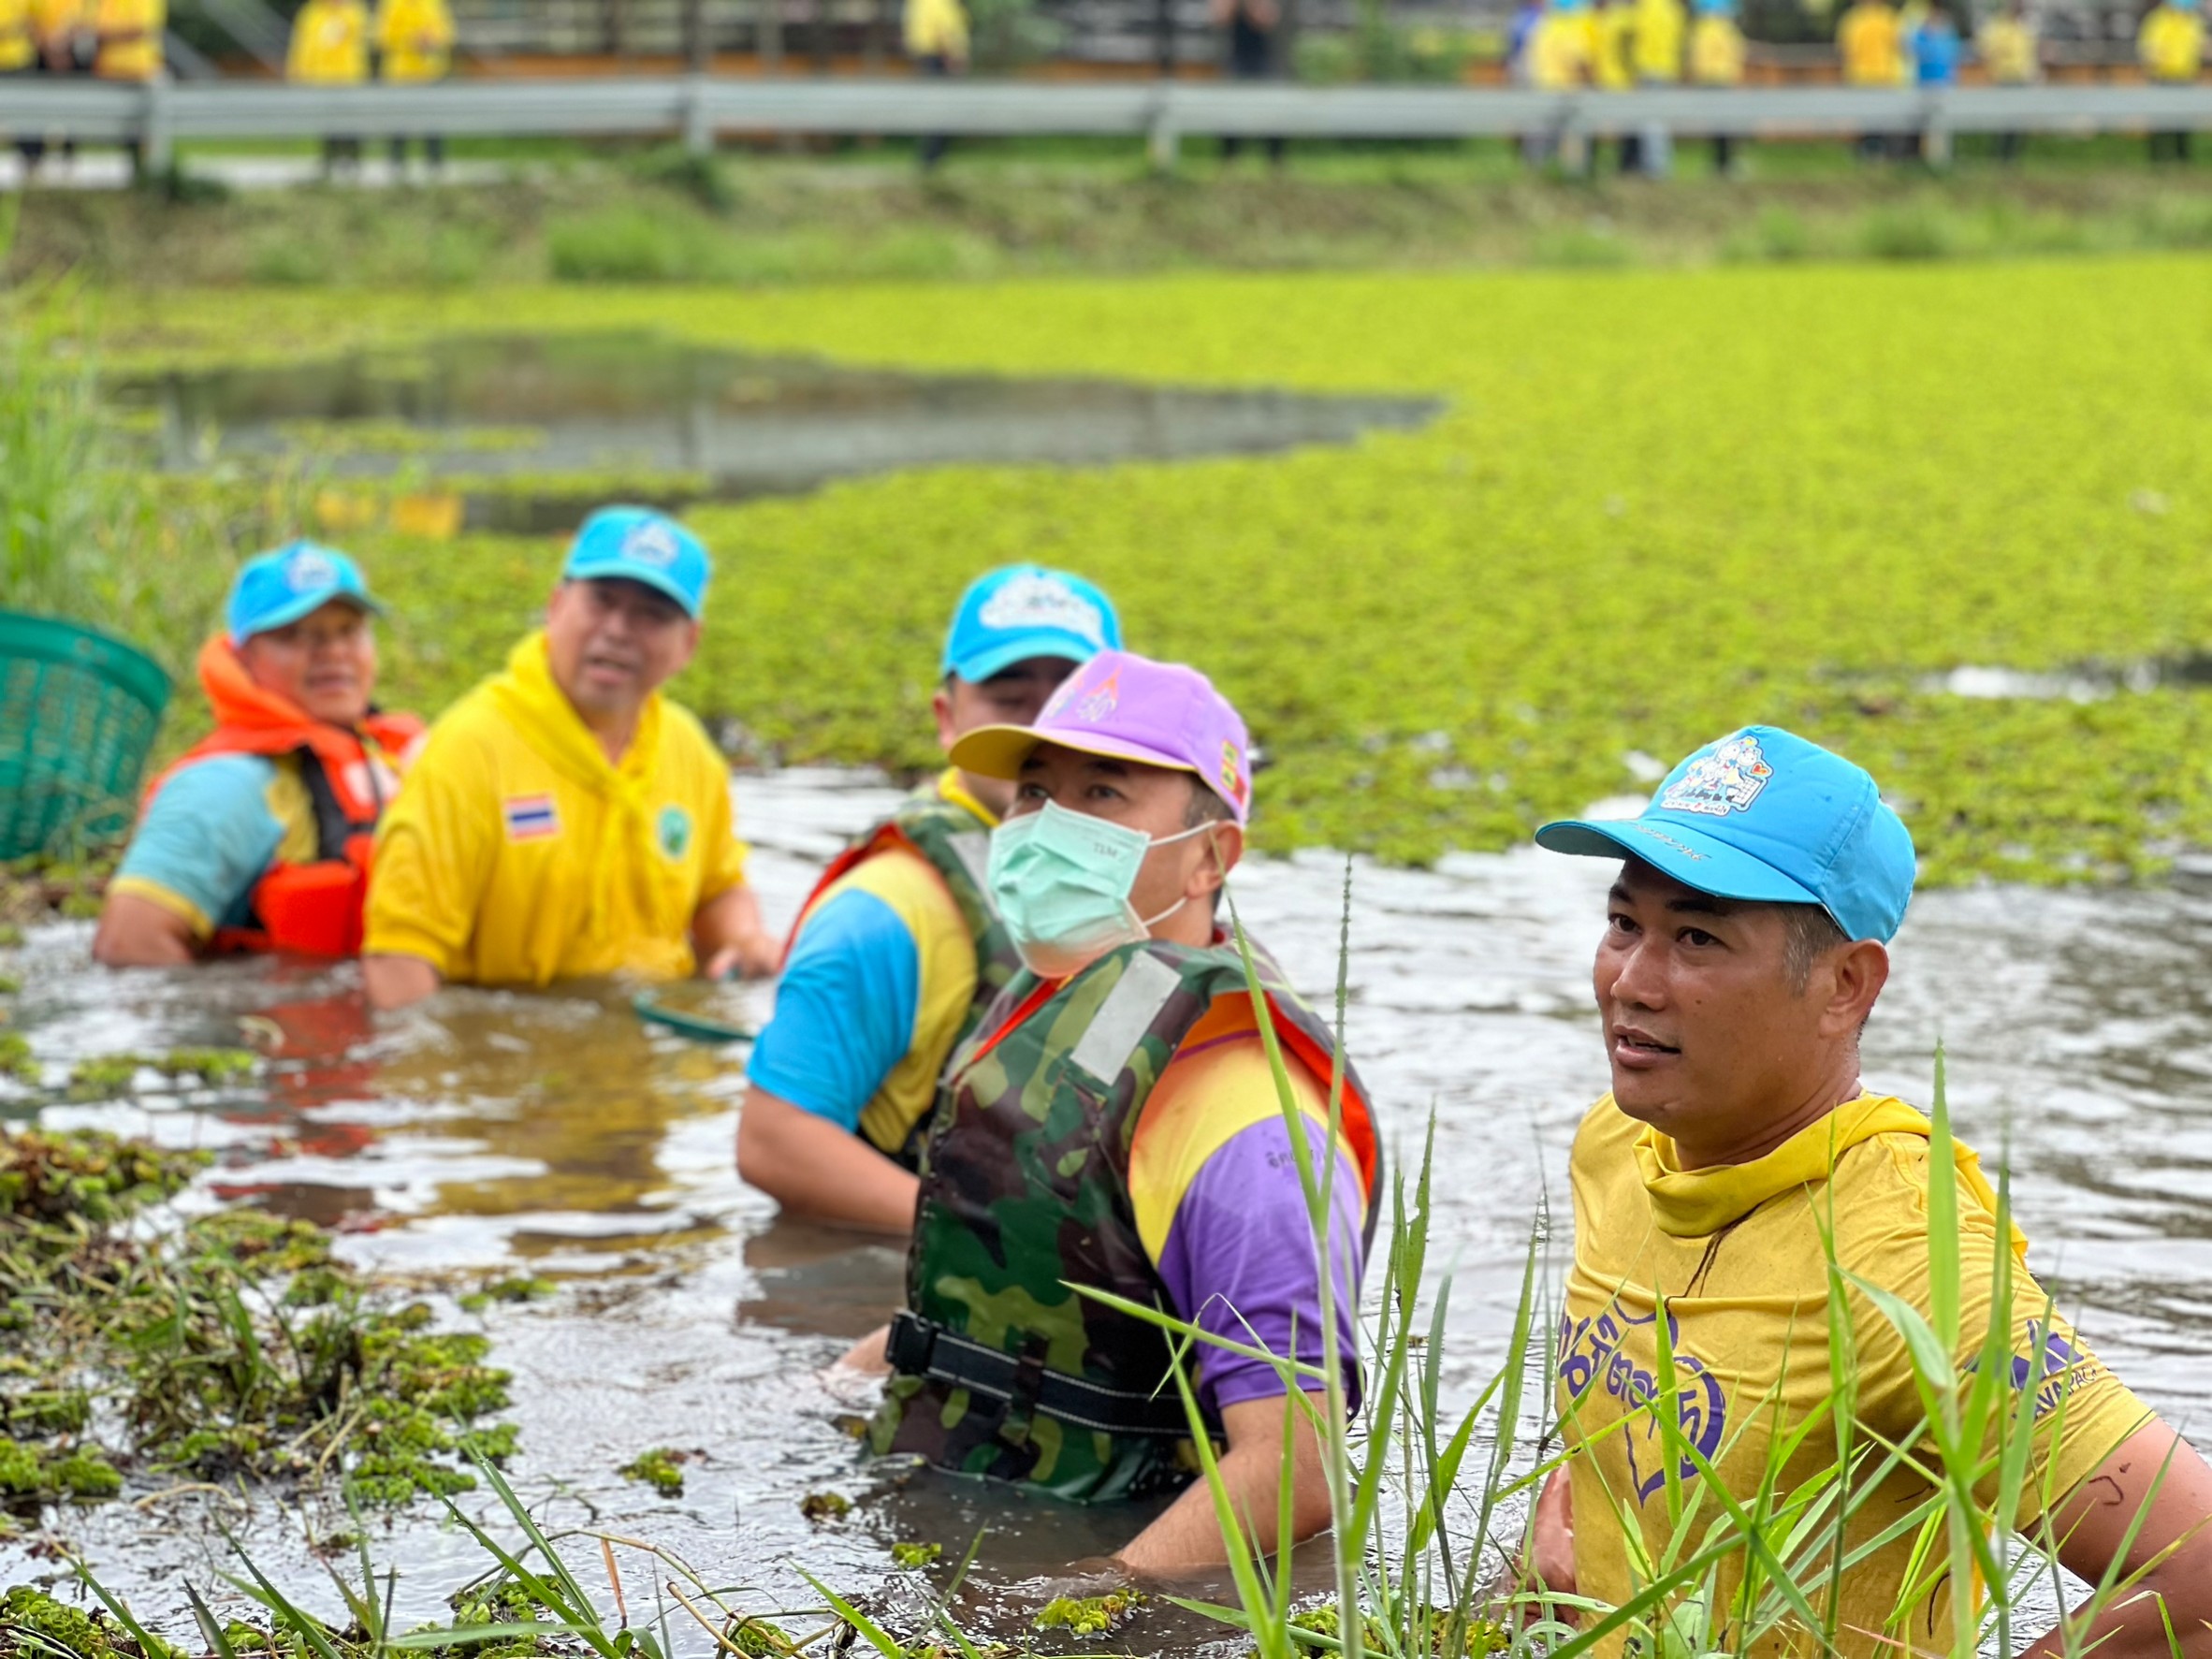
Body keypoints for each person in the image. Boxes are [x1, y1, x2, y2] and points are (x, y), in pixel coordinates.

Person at [1525, 726, 2212, 1655]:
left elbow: (2195, 1569)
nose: (1632, 982)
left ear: (1846, 984)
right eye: (1623, 925)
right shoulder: (1618, 1142)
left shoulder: (1909, 1261)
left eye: (1696, 937)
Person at [853, 649, 1379, 1575]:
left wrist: (1081, 1600)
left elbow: (1298, 1471)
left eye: (1101, 794)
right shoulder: (1062, 1000)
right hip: (963, 1497)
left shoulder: (1252, 1122)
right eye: (1032, 792)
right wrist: (834, 1382)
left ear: (1210, 857)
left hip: (1100, 1556)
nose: (1048, 827)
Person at [736, 566, 1123, 1235]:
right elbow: (773, 1141)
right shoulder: (881, 916)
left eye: (1070, 699)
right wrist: (981, 1237)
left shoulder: (1158, 876)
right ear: (949, 719)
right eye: (1011, 700)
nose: (1044, 734)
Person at [361, 507, 776, 1009]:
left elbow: (719, 888)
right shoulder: (468, 750)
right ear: (556, 606)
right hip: (514, 1056)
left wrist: (746, 940)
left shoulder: (689, 751)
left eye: (652, 614)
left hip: (655, 1048)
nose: (619, 630)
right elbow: (398, 961)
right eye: (602, 602)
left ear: (688, 642)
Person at [95, 543, 423, 968]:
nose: (333, 652)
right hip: (277, 1028)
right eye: (294, 635)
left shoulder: (398, 760)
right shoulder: (221, 787)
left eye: (348, 630)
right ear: (243, 658)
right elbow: (129, 944)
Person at [286, 0, 369, 177]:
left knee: (350, 121)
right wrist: (298, 68)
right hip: (321, 75)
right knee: (327, 122)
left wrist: (343, 10)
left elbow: (361, 32)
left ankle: (352, 159)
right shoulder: (312, 12)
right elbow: (303, 42)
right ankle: (329, 160)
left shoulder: (353, 10)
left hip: (348, 75)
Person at [373, 0, 454, 170]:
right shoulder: (392, 5)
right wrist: (411, 40)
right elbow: (383, 36)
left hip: (430, 72)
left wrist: (432, 40)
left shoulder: (433, 4)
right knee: (399, 121)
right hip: (400, 74)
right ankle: (396, 162)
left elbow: (447, 32)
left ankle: (434, 162)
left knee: (432, 121)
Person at [91, 0, 161, 179]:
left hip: (138, 71)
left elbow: (140, 30)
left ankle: (144, 174)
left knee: (143, 129)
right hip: (109, 71)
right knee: (120, 129)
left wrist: (107, 36)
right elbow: (94, 27)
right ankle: (132, 173)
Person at [1212, 0, 1285, 167]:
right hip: (1237, 58)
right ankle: (1230, 156)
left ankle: (1275, 157)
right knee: (1228, 108)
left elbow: (1265, 21)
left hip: (1262, 58)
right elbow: (1220, 19)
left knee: (1274, 107)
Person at [1529, 0, 1594, 170]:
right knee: (1573, 145)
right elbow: (1578, 61)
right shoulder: (1573, 27)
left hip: (1543, 85)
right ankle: (1572, 178)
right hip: (1567, 90)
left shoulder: (1546, 25)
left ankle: (1537, 175)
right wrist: (1590, 81)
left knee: (1542, 143)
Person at [902, 0, 967, 170]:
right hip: (938, 57)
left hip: (927, 56)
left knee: (933, 109)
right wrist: (952, 56)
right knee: (941, 110)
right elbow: (943, 29)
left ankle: (930, 159)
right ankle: (932, 160)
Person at [2140, 0, 2204, 161]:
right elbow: (2149, 47)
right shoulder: (2157, 19)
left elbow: (2199, 44)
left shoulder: (2193, 20)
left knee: (2183, 121)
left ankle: (2182, 158)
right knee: (2160, 121)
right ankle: (2158, 158)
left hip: (2185, 77)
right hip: (2162, 77)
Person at [1836, 0, 1901, 157]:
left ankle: (1875, 154)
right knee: (1869, 122)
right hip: (1866, 77)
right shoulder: (1881, 16)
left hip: (1879, 76)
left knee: (1878, 121)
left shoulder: (1856, 18)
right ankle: (1872, 155)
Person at [1687, 0, 1747, 172]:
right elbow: (1736, 52)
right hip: (1722, 79)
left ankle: (1720, 161)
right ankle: (1725, 162)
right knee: (1724, 125)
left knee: (1717, 126)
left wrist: (1698, 75)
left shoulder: (1702, 30)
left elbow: (1697, 56)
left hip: (1709, 80)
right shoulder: (1726, 29)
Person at [1977, 0, 2039, 160]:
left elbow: (2028, 54)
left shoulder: (2023, 28)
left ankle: (2012, 157)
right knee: (2004, 120)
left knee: (2018, 121)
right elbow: (1987, 50)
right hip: (2003, 78)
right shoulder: (1998, 27)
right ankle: (2000, 156)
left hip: (2021, 79)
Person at [1630, 0, 1685, 176]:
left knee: (1651, 123)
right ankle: (1660, 165)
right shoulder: (1673, 9)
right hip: (1667, 69)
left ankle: (1654, 168)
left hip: (1648, 69)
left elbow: (1637, 40)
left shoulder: (1643, 8)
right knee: (1660, 121)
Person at [1591, 0, 1638, 170]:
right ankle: (1627, 167)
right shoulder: (1630, 18)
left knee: (1597, 128)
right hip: (1625, 80)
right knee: (1629, 129)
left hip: (1608, 80)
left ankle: (1593, 167)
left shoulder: (1603, 20)